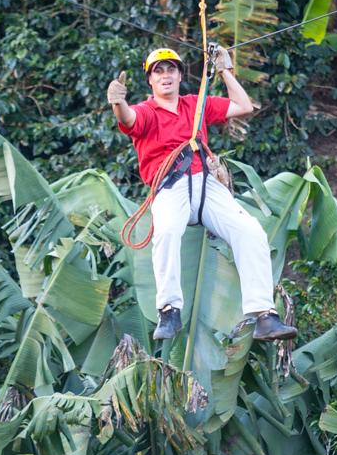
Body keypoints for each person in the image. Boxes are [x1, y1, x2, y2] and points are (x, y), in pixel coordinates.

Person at [107, 47, 297, 343]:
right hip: (170, 186)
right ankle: (169, 309)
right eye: (159, 71)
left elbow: (243, 105)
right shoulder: (146, 111)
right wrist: (118, 102)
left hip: (205, 183)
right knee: (167, 233)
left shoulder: (194, 105)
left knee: (251, 232)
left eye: (171, 70)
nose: (166, 76)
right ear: (150, 81)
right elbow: (129, 119)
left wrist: (224, 70)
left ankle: (263, 315)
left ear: (180, 75)